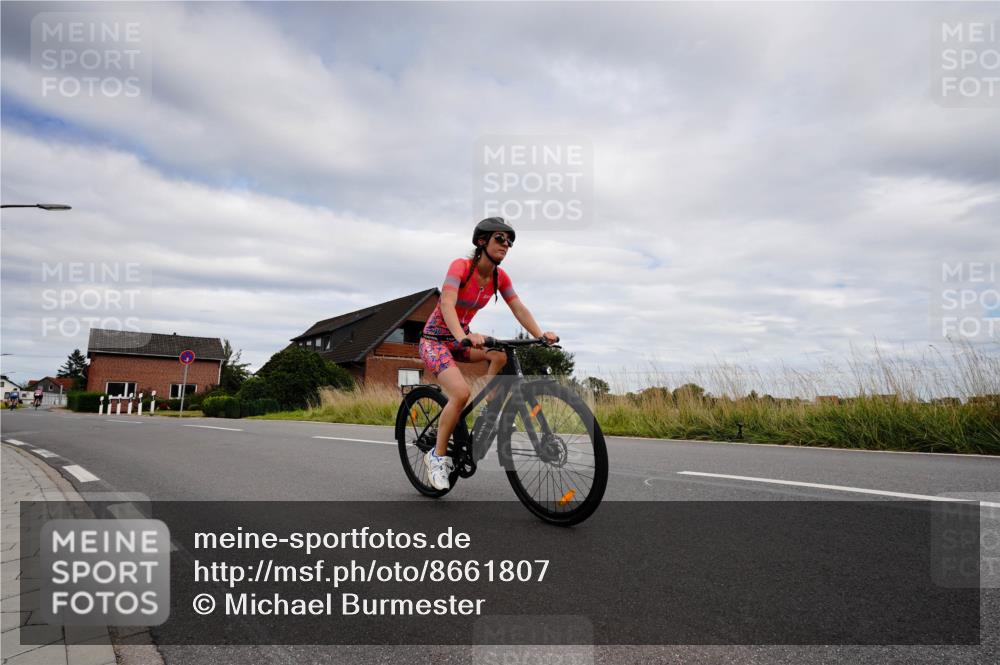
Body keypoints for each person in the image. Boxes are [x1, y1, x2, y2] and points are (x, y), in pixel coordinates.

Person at [419, 217, 558, 490]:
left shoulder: (499, 277)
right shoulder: (460, 267)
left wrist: (540, 334)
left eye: (510, 242)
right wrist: (462, 336)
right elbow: (446, 302)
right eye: (500, 238)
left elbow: (518, 308)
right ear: (482, 241)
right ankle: (436, 456)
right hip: (436, 340)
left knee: (501, 355)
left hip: (462, 340)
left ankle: (488, 412)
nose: (506, 245)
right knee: (459, 393)